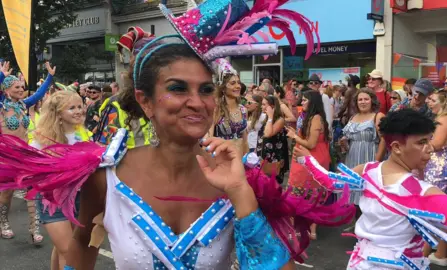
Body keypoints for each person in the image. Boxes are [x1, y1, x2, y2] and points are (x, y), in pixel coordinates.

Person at [0, 1, 357, 269]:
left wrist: (240, 194)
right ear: (146, 101)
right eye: (177, 88)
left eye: (205, 90)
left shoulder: (236, 178)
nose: (196, 102)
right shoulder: (106, 176)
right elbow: (80, 255)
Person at [294, 109, 447, 270]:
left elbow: (330, 182)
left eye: (429, 140)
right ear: (397, 147)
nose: (430, 149)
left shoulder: (368, 170)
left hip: (361, 263)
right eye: (421, 142)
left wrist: (307, 160)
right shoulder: (420, 192)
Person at [31, 91, 88, 270]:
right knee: (68, 250)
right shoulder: (42, 140)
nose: (78, 111)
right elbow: (32, 171)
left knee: (63, 248)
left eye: (80, 106)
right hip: (53, 201)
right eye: (72, 108)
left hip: (79, 199)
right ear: (58, 113)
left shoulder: (84, 133)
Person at [0, 61, 56, 242]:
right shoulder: (1, 105)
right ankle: (3, 222)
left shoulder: (24, 104)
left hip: (25, 154)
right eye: (17, 86)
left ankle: (35, 228)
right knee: (7, 193)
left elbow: (39, 94)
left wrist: (50, 77)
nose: (21, 89)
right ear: (7, 90)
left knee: (32, 189)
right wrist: (1, 75)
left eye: (21, 86)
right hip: (6, 156)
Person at [422, 90, 447, 266]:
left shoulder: (443, 120)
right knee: (443, 212)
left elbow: (436, 145)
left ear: (443, 103)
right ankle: (439, 253)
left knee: (431, 211)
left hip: (440, 170)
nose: (429, 102)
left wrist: (418, 144)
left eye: (432, 100)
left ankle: (423, 253)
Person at [286, 91, 330, 239]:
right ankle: (308, 230)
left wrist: (294, 136)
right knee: (310, 193)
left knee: (300, 194)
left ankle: (303, 230)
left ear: (313, 102)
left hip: (310, 160)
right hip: (309, 159)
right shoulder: (311, 117)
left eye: (305, 100)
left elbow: (311, 144)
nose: (302, 102)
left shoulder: (315, 118)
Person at [340, 89, 386, 206]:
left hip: (369, 158)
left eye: (366, 99)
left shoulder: (378, 116)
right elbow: (348, 143)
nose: (363, 102)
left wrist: (376, 161)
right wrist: (344, 143)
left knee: (368, 196)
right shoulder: (353, 117)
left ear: (372, 101)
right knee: (354, 197)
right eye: (360, 99)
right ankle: (357, 223)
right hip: (352, 159)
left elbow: (384, 140)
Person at [211, 65, 248, 153]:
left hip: (239, 160)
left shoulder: (243, 110)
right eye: (233, 83)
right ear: (223, 88)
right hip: (222, 159)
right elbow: (208, 138)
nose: (238, 86)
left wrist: (247, 163)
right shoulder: (216, 109)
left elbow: (245, 141)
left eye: (238, 83)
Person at [256, 95, 289, 183]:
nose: (261, 106)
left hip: (274, 158)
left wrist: (270, 117)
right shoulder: (265, 118)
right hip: (263, 156)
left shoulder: (280, 120)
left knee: (272, 185)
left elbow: (268, 134)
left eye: (264, 104)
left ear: (272, 106)